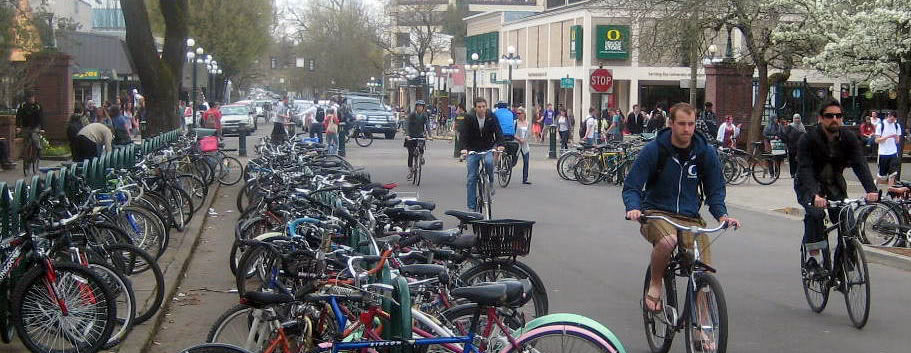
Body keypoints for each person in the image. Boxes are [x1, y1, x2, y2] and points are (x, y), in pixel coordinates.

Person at [622, 103, 740, 348]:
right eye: (682, 124)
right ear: (671, 124)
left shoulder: (705, 152)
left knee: (703, 272)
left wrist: (722, 215)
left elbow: (715, 190)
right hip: (656, 212)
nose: (687, 129)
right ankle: (655, 284)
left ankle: (703, 330)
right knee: (668, 241)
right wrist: (633, 207)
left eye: (691, 124)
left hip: (689, 217)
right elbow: (632, 185)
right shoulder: (655, 150)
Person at [795, 100, 878, 280]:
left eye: (838, 116)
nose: (834, 119)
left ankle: (843, 261)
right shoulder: (807, 139)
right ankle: (813, 260)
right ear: (820, 118)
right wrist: (814, 194)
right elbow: (805, 168)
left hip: (834, 185)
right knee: (815, 215)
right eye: (829, 116)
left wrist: (871, 190)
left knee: (847, 220)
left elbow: (860, 163)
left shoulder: (848, 138)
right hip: (808, 185)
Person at [460, 97, 505, 212]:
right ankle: (471, 207)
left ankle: (490, 183)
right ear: (475, 108)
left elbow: (498, 131)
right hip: (473, 150)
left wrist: (500, 144)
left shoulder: (491, 117)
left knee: (489, 162)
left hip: (487, 148)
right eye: (479, 107)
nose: (482, 109)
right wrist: (464, 149)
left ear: (486, 107)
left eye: (484, 106)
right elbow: (464, 134)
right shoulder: (469, 117)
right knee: (471, 178)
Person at [874, 111, 903, 185]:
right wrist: (888, 137)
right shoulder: (881, 125)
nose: (892, 121)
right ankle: (874, 187)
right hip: (883, 153)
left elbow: (897, 141)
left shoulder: (897, 125)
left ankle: (889, 193)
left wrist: (896, 138)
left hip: (893, 152)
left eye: (893, 120)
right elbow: (877, 140)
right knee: (881, 175)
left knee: (893, 174)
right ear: (888, 116)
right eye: (891, 119)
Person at [405, 100, 431, 178]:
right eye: (418, 106)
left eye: (421, 106)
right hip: (411, 136)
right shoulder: (412, 115)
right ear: (416, 107)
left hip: (420, 135)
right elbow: (407, 124)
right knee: (410, 153)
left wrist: (430, 135)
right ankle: (411, 170)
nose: (420, 108)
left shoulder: (424, 115)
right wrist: (407, 135)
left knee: (421, 145)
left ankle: (421, 156)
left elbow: (427, 125)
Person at [515, 107, 532, 185]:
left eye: (519, 113)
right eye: (517, 113)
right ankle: (506, 170)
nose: (518, 115)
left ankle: (525, 179)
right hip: (517, 143)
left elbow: (528, 133)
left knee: (526, 161)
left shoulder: (527, 123)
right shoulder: (515, 122)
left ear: (523, 114)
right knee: (513, 161)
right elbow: (512, 133)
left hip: (524, 144)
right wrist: (518, 139)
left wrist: (524, 140)